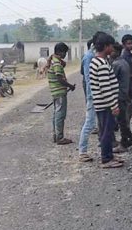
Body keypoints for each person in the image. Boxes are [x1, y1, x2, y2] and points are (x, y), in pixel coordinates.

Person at [89, 33, 123, 169]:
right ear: (105, 47)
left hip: (101, 104)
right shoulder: (102, 64)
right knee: (106, 132)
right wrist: (114, 105)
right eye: (110, 46)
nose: (112, 48)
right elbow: (105, 88)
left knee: (106, 131)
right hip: (105, 105)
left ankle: (109, 154)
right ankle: (106, 159)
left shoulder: (96, 61)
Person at [78, 32, 105, 163]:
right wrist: (94, 95)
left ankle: (104, 148)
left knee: (99, 123)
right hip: (93, 95)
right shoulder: (89, 57)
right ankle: (82, 152)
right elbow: (89, 79)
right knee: (89, 123)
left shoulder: (91, 55)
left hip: (94, 94)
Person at [48, 43, 76, 145]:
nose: (65, 55)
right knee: (60, 114)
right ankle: (60, 137)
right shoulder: (56, 64)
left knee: (56, 114)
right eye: (65, 52)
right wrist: (70, 86)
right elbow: (60, 79)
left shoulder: (53, 61)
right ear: (60, 52)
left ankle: (56, 136)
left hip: (55, 91)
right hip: (59, 91)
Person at [110, 43, 132, 153]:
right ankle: (129, 138)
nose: (111, 53)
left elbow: (110, 79)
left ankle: (124, 143)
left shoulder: (116, 64)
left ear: (118, 52)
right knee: (123, 119)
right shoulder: (124, 62)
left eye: (113, 51)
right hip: (124, 94)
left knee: (121, 120)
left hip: (118, 95)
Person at [120, 34, 132, 120]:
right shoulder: (121, 58)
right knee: (126, 106)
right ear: (124, 45)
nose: (131, 45)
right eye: (128, 44)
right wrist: (131, 75)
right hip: (124, 86)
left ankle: (130, 121)